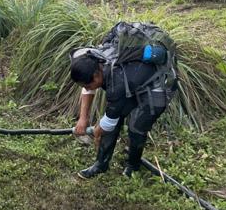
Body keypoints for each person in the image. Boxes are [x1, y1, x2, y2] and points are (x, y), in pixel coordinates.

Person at [70, 42, 177, 179]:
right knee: (112, 121)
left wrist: (96, 133)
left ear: (97, 75)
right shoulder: (92, 59)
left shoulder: (115, 84)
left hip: (156, 86)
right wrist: (83, 118)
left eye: (88, 83)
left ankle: (133, 166)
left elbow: (107, 124)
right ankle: (100, 165)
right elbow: (87, 88)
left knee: (136, 127)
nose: (87, 87)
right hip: (132, 82)